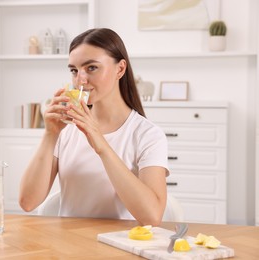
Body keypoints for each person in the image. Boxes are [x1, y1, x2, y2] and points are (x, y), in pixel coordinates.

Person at [19, 28, 169, 226]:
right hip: (70, 248)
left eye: (91, 68)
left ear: (120, 69)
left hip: (122, 246)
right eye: (74, 70)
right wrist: (50, 134)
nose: (80, 79)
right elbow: (28, 202)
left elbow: (152, 216)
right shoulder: (66, 130)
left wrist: (101, 144)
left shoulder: (148, 135)